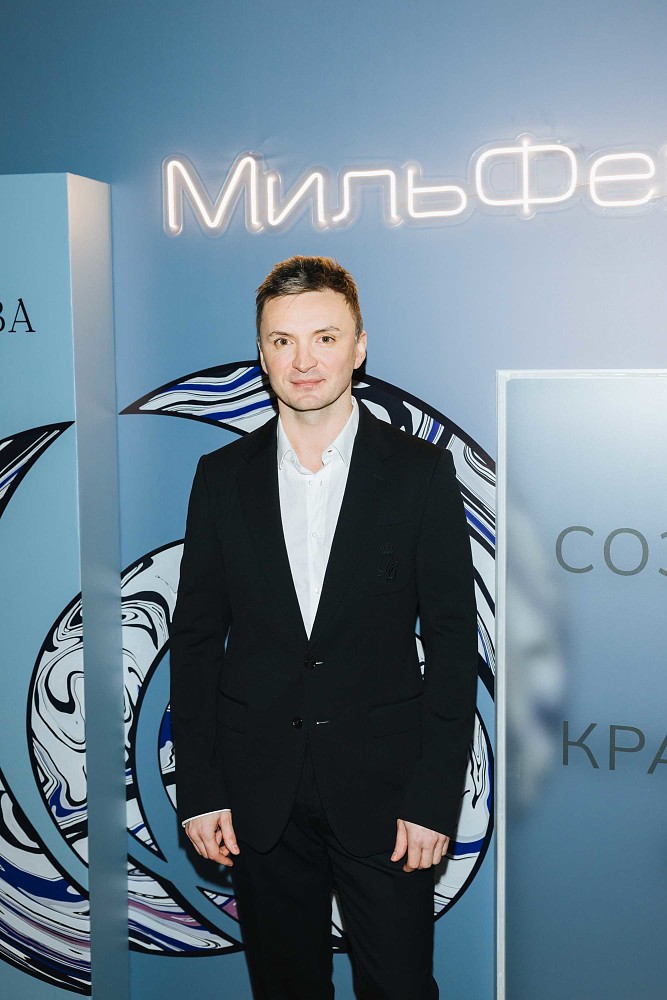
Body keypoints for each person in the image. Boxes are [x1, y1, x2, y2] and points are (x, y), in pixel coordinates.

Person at [169, 255, 478, 999]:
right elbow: (197, 640)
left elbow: (452, 643)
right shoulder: (222, 476)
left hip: (387, 795)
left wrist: (433, 798)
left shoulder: (420, 473)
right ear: (262, 353)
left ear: (358, 347)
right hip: (258, 795)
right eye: (282, 341)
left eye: (324, 338)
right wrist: (201, 788)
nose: (303, 361)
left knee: (400, 988)